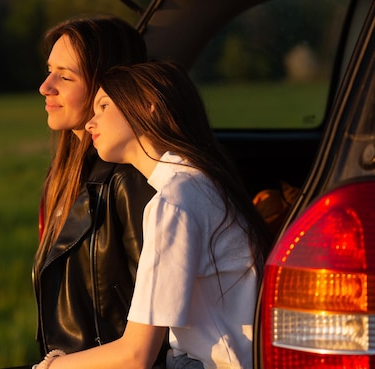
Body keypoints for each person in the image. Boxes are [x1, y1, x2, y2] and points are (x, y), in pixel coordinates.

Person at [33, 60, 273, 369]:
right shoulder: (201, 183)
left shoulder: (176, 201)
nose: (91, 123)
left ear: (149, 107)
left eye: (104, 106)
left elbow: (135, 356)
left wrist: (47, 367)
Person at [32, 16, 168, 368]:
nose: (46, 87)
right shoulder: (61, 177)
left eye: (66, 76)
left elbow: (160, 328)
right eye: (49, 70)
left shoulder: (131, 181)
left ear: (107, 86)